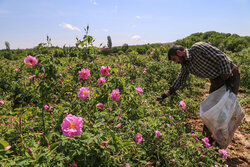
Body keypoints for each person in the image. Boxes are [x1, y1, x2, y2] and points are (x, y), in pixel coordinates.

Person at [156, 41, 240, 144]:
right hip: (217, 80)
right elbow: (179, 81)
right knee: (210, 109)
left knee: (228, 105)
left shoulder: (197, 48)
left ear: (179, 52)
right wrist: (164, 95)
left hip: (231, 75)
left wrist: (226, 77)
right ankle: (208, 138)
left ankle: (223, 136)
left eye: (175, 59)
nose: (176, 62)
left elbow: (221, 57)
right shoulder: (186, 66)